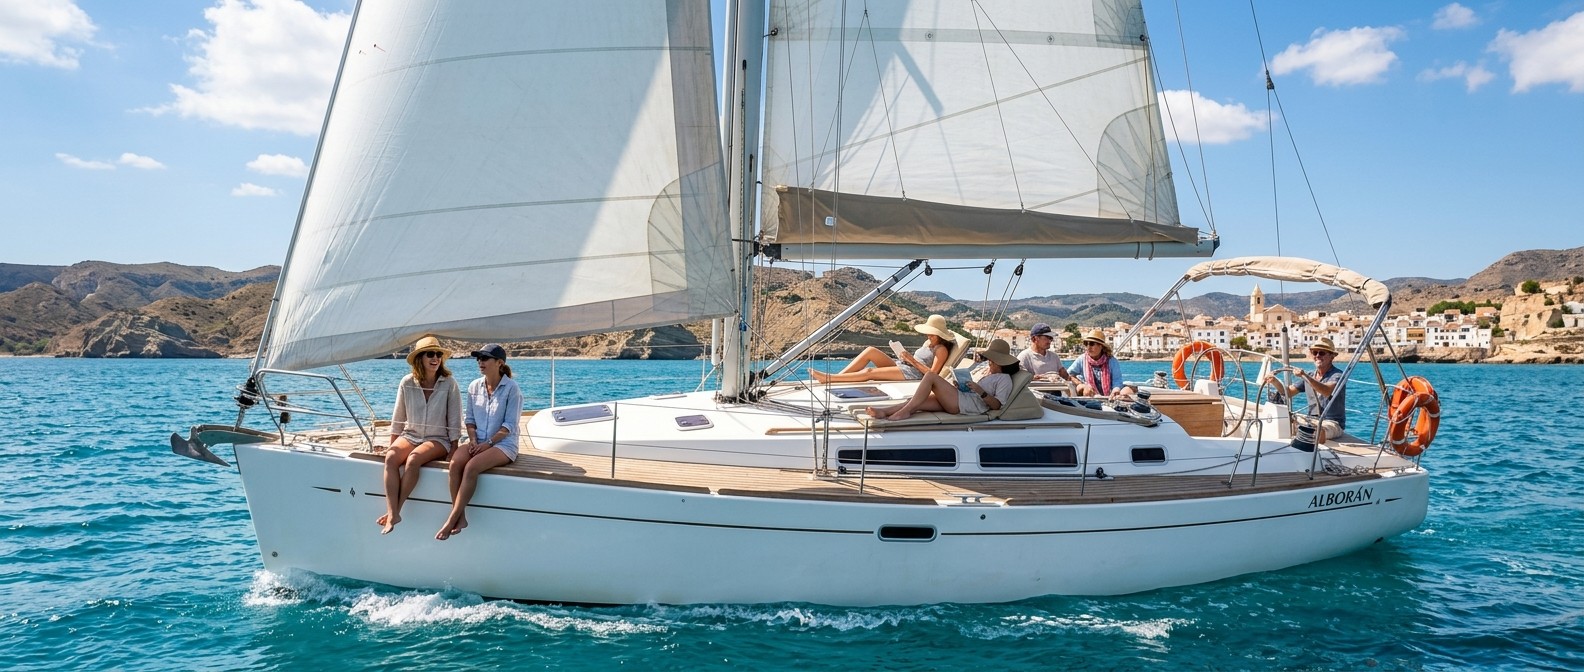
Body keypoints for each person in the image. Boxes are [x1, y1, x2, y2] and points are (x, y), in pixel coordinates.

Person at [438, 343, 524, 541]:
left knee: (471, 467)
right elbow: (469, 420)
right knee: (455, 463)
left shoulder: (512, 389)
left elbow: (509, 425)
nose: (480, 362)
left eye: (485, 358)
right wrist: (475, 440)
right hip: (477, 440)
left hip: (504, 444)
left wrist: (488, 444)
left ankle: (451, 519)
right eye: (478, 358)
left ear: (499, 363)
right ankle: (461, 516)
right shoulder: (474, 386)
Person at [378, 335, 462, 535]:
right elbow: (398, 417)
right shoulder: (407, 382)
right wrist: (392, 444)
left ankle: (395, 511)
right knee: (390, 458)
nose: (435, 358)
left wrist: (454, 448)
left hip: (438, 439)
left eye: (438, 354)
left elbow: (455, 419)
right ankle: (392, 512)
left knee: (413, 460)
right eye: (430, 354)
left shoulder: (449, 383)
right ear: (420, 359)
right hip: (411, 435)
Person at [866, 338, 1020, 421]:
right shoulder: (989, 372)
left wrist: (981, 392)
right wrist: (962, 385)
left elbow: (998, 406)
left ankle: (904, 412)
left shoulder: (1004, 379)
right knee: (917, 401)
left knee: (931, 376)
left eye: (992, 359)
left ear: (1000, 361)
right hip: (963, 398)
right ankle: (883, 412)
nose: (989, 361)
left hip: (965, 405)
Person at [810, 314, 959, 384]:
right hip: (905, 366)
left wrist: (911, 360)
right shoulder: (929, 343)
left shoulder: (941, 349)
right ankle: (837, 377)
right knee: (870, 351)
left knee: (869, 372)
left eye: (931, 332)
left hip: (913, 374)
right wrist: (904, 357)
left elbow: (933, 375)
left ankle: (829, 379)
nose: (927, 334)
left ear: (939, 334)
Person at [1263, 337, 1347, 440]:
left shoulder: (1337, 375)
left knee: (1316, 433)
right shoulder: (1310, 375)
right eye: (1315, 352)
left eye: (1322, 353)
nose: (1317, 356)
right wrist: (1274, 381)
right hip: (1311, 419)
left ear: (1331, 356)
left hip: (1331, 422)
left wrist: (1305, 377)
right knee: (1281, 422)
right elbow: (1288, 392)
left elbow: (1327, 391)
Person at [1067, 329, 1127, 398]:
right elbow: (1069, 374)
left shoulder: (1112, 361)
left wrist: (1116, 389)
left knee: (1128, 390)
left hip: (1109, 397)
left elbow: (1117, 380)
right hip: (1088, 396)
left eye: (1092, 344)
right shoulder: (1082, 359)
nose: (1088, 347)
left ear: (1101, 346)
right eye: (1087, 344)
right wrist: (1082, 385)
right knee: (1083, 389)